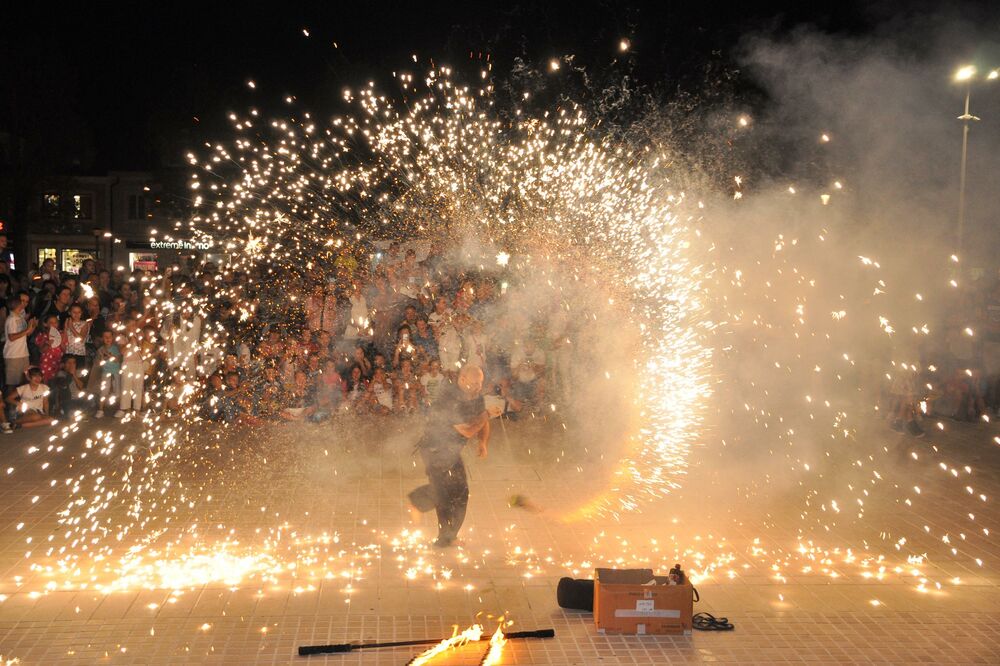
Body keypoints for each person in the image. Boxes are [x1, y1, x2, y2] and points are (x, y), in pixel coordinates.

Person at [407, 364, 490, 548]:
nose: (478, 387)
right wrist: (487, 414)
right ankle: (442, 536)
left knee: (461, 492)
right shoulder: (448, 398)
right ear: (462, 379)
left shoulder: (477, 397)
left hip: (452, 450)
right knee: (443, 494)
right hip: (434, 449)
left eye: (481, 383)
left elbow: (482, 422)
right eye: (475, 383)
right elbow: (468, 430)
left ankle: (449, 534)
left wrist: (483, 442)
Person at [4, 295, 35, 389]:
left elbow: (26, 334)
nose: (24, 304)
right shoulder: (12, 319)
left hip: (23, 353)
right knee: (12, 384)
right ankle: (10, 402)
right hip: (13, 355)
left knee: (24, 382)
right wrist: (27, 330)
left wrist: (32, 326)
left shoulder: (20, 317)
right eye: (21, 301)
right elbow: (11, 337)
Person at [94, 329, 122, 418]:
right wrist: (102, 358)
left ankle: (119, 409)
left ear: (112, 337)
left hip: (116, 373)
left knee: (117, 391)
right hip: (105, 372)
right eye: (105, 337)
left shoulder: (116, 348)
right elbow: (99, 362)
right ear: (102, 338)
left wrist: (110, 356)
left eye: (109, 337)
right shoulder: (100, 349)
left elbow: (117, 359)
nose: (107, 339)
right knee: (103, 391)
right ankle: (100, 410)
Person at [34, 313, 64, 382]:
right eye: (51, 323)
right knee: (45, 381)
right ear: (45, 324)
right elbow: (41, 350)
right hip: (46, 363)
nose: (54, 324)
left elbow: (65, 350)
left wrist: (61, 341)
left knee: (56, 382)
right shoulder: (42, 335)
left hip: (58, 362)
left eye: (55, 322)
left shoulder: (62, 334)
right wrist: (47, 344)